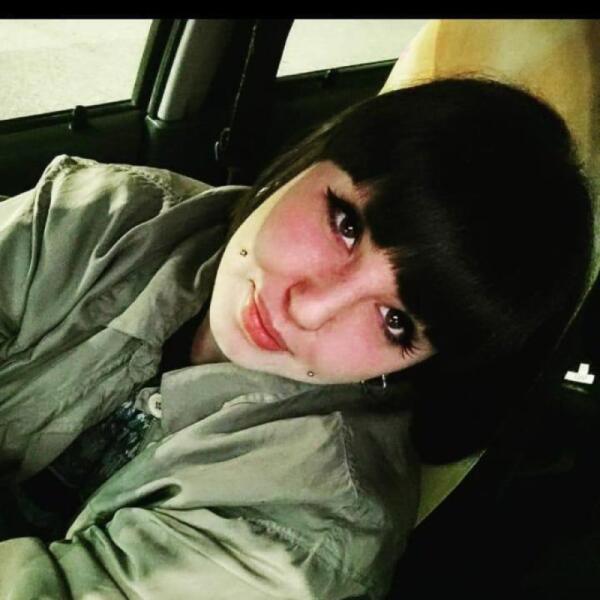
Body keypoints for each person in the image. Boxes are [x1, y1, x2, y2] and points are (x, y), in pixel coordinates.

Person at [0, 78, 593, 599]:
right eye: (346, 224)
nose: (310, 309)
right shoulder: (104, 215)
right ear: (312, 160)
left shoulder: (305, 533)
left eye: (396, 321)